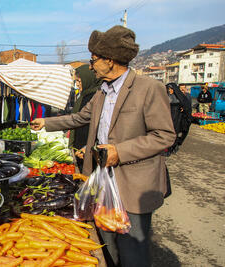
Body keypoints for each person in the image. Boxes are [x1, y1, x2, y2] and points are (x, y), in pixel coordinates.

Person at [31, 25, 176, 267]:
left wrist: (121, 151)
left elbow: (164, 135)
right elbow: (79, 118)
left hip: (134, 185)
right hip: (103, 180)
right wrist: (46, 122)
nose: (91, 65)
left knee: (133, 250)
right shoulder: (102, 92)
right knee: (107, 244)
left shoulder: (148, 89)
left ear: (110, 60)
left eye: (94, 59)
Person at [69, 64, 101, 172]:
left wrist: (89, 147)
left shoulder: (97, 97)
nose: (77, 85)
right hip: (80, 149)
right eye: (76, 81)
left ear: (88, 79)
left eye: (79, 81)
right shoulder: (82, 97)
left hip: (91, 150)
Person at [165, 83, 192, 155]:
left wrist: (184, 108)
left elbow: (187, 106)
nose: (169, 90)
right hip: (168, 117)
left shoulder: (180, 97)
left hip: (177, 117)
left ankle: (172, 148)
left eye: (170, 89)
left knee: (174, 133)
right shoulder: (166, 96)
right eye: (168, 89)